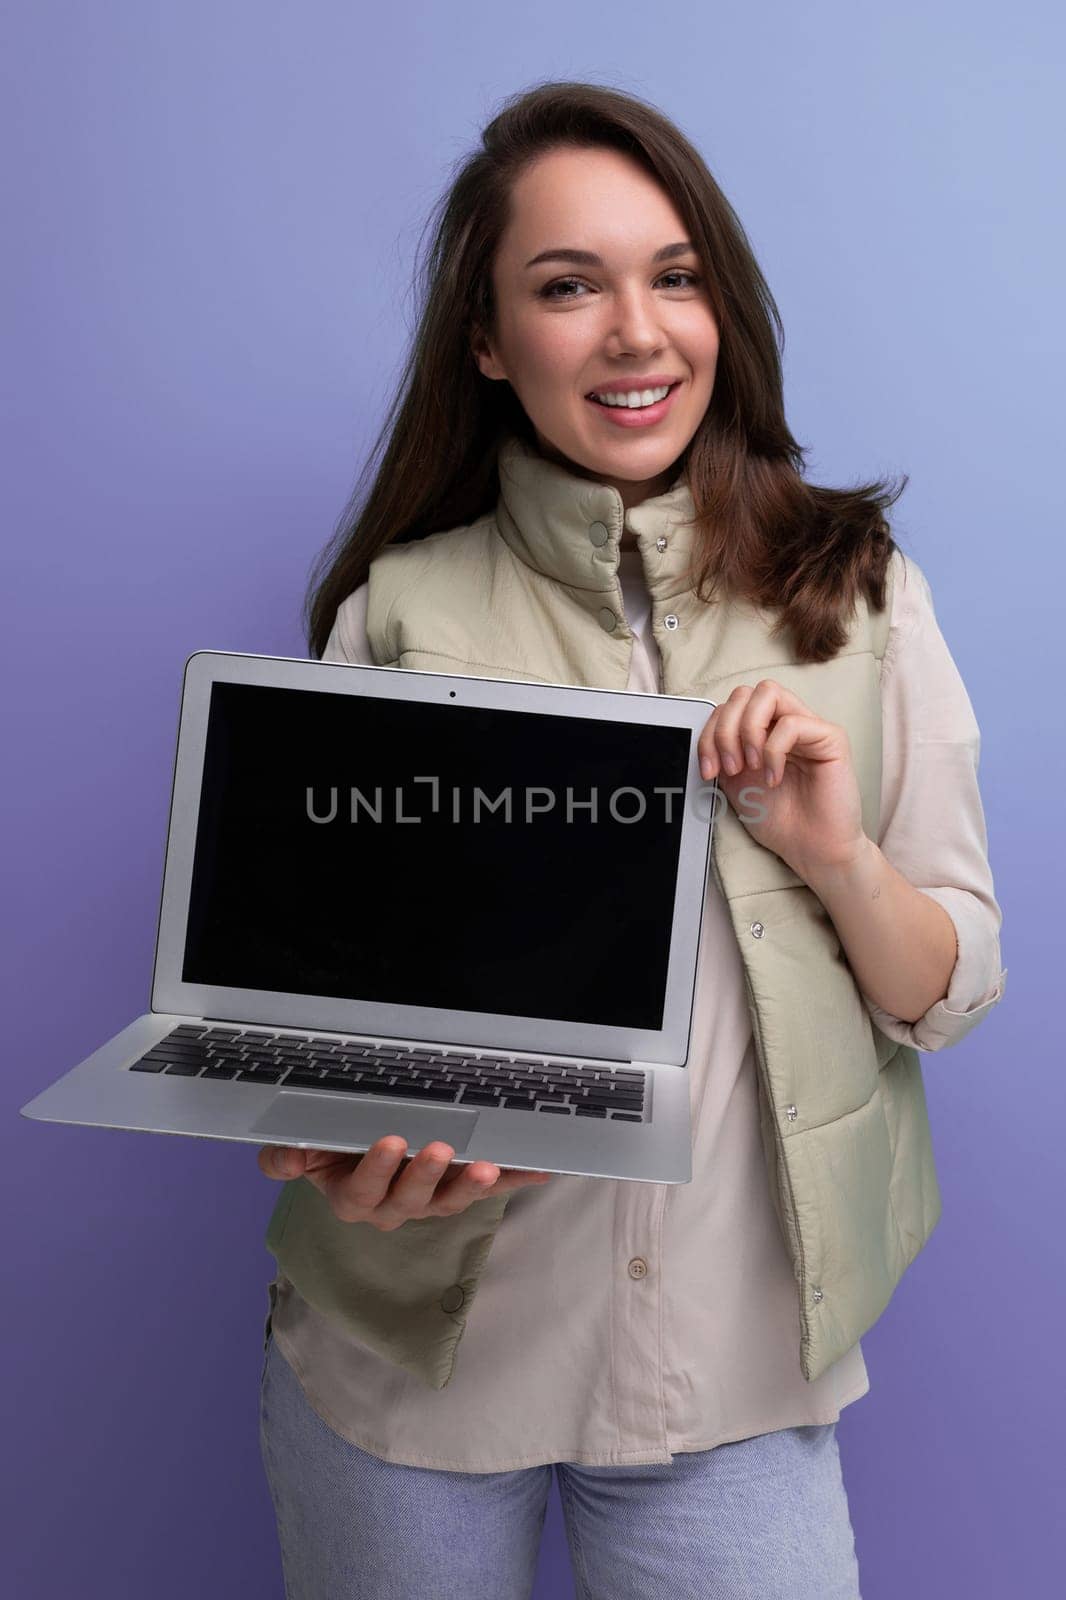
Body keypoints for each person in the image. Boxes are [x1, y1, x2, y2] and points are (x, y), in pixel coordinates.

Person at [255, 80, 1006, 1600]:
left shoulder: (856, 594)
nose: (635, 333)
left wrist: (832, 853)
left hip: (729, 1383)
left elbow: (951, 984)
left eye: (673, 276)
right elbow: (317, 1020)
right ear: (486, 340)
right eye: (564, 286)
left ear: (719, 305)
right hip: (413, 1372)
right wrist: (345, 1153)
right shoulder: (395, 616)